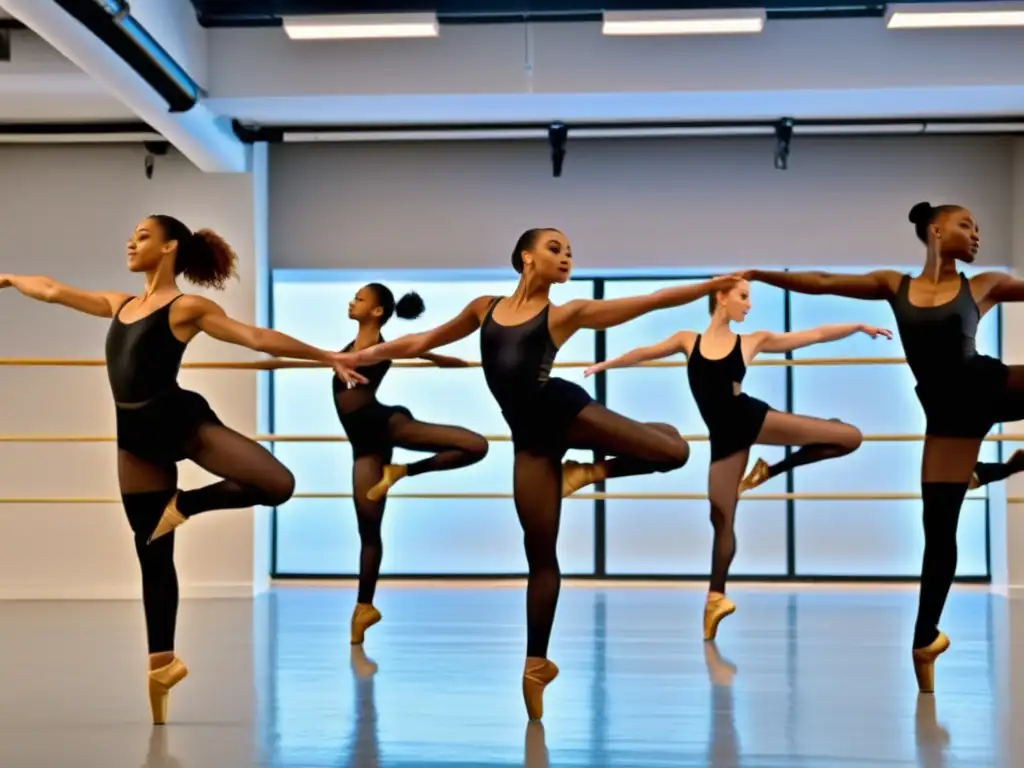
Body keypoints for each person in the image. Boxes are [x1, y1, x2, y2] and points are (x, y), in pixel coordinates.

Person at [333, 227, 737, 720]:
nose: (566, 257)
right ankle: (535, 663)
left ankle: (588, 471)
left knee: (674, 450)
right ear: (526, 258)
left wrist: (709, 286)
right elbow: (424, 339)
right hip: (531, 446)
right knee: (540, 555)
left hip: (564, 411)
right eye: (555, 248)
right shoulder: (484, 308)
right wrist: (359, 356)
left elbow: (650, 301)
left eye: (570, 252)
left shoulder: (566, 314)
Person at [0, 215, 363, 725]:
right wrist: (11, 280)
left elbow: (255, 337)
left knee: (277, 484)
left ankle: (185, 505)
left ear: (170, 247)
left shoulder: (186, 307)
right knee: (151, 552)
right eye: (130, 234)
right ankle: (162, 664)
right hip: (135, 441)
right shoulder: (118, 304)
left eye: (142, 235)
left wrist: (324, 355)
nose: (130, 241)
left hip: (182, 421)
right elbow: (55, 289)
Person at [744, 201, 1024, 693]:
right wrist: (760, 274)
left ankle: (991, 470)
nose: (977, 234)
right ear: (936, 230)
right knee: (938, 535)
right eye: (966, 225)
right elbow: (825, 282)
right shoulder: (892, 285)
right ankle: (924, 639)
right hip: (947, 420)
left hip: (987, 386)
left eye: (979, 228)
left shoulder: (983, 285)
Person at [584, 277, 883, 640]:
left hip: (752, 418)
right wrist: (604, 365)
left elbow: (815, 335)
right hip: (724, 439)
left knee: (849, 436)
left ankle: (770, 470)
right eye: (743, 297)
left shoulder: (751, 341)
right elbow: (646, 351)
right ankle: (715, 598)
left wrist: (857, 326)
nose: (749, 304)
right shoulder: (687, 340)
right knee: (721, 516)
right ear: (720, 297)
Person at [336, 283, 488, 645]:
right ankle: (364, 608)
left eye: (359, 299)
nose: (351, 301)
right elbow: (423, 354)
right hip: (364, 448)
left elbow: (421, 349)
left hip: (385, 423)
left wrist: (444, 360)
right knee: (368, 530)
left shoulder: (382, 347)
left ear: (376, 311)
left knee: (474, 445)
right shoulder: (343, 350)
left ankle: (403, 471)